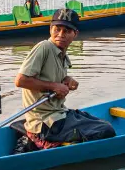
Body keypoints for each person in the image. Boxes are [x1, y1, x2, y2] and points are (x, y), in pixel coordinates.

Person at [15, 9, 116, 150]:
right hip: (46, 123)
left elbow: (51, 78)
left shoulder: (61, 53)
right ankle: (43, 142)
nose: (61, 34)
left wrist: (67, 80)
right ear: (50, 29)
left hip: (59, 113)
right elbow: (21, 81)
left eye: (67, 31)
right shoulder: (44, 47)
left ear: (75, 33)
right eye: (57, 29)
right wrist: (54, 86)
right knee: (106, 130)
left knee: (98, 121)